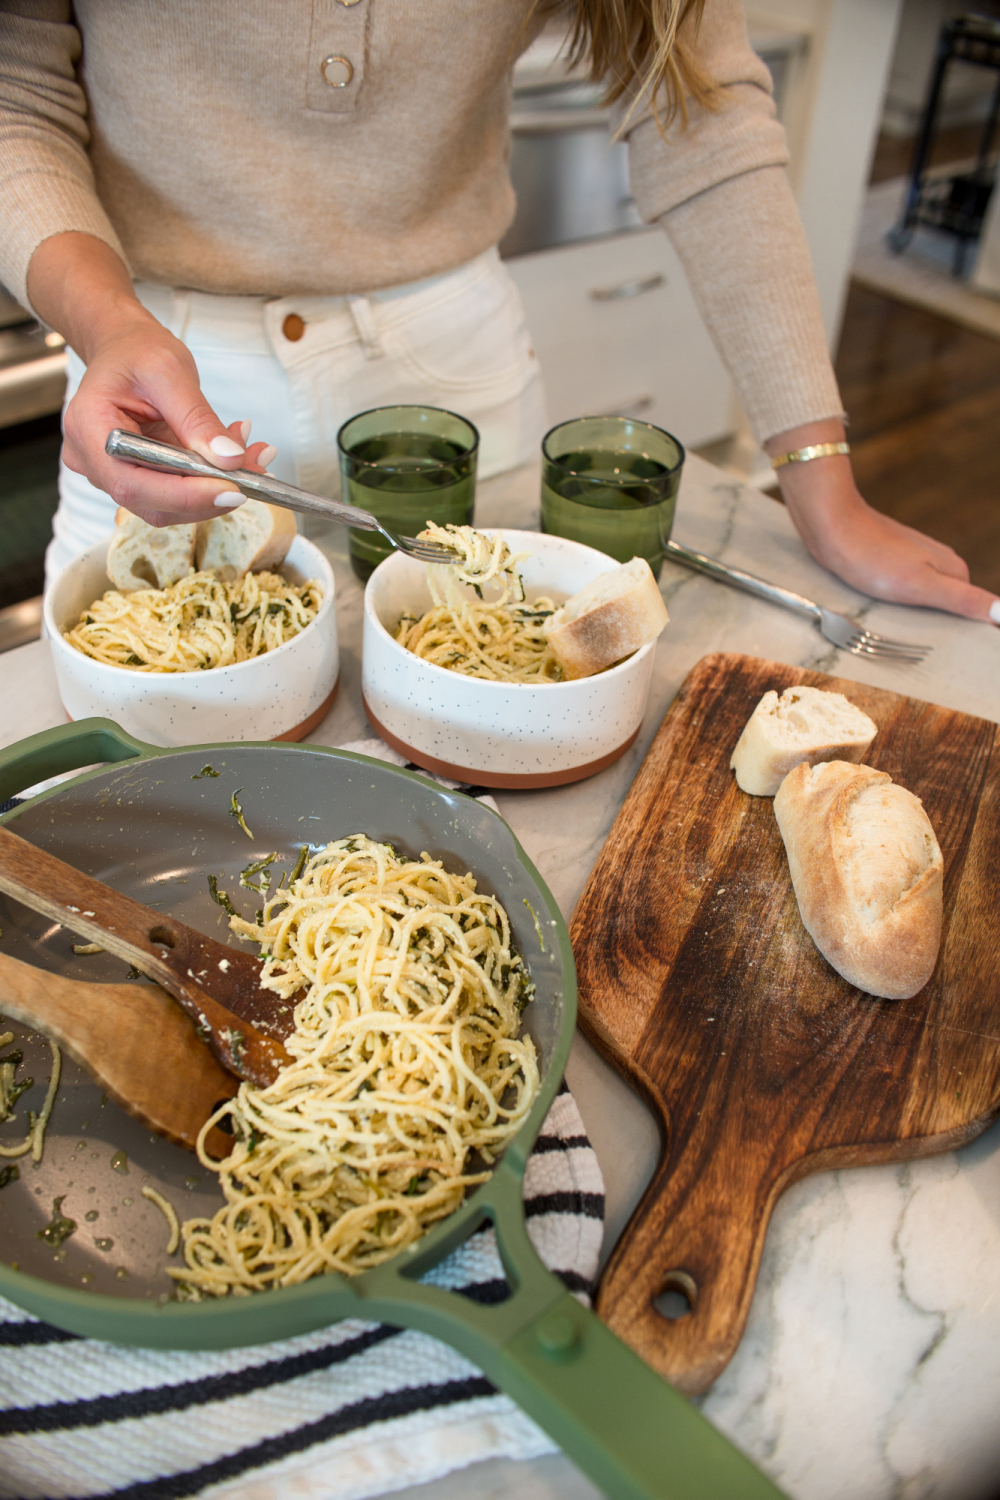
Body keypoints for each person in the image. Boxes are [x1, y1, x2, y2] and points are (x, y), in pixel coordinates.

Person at [1, 0, 996, 623]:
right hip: (155, 376)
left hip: (450, 380)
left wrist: (819, 481)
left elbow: (698, 109)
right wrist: (106, 325)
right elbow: (18, 93)